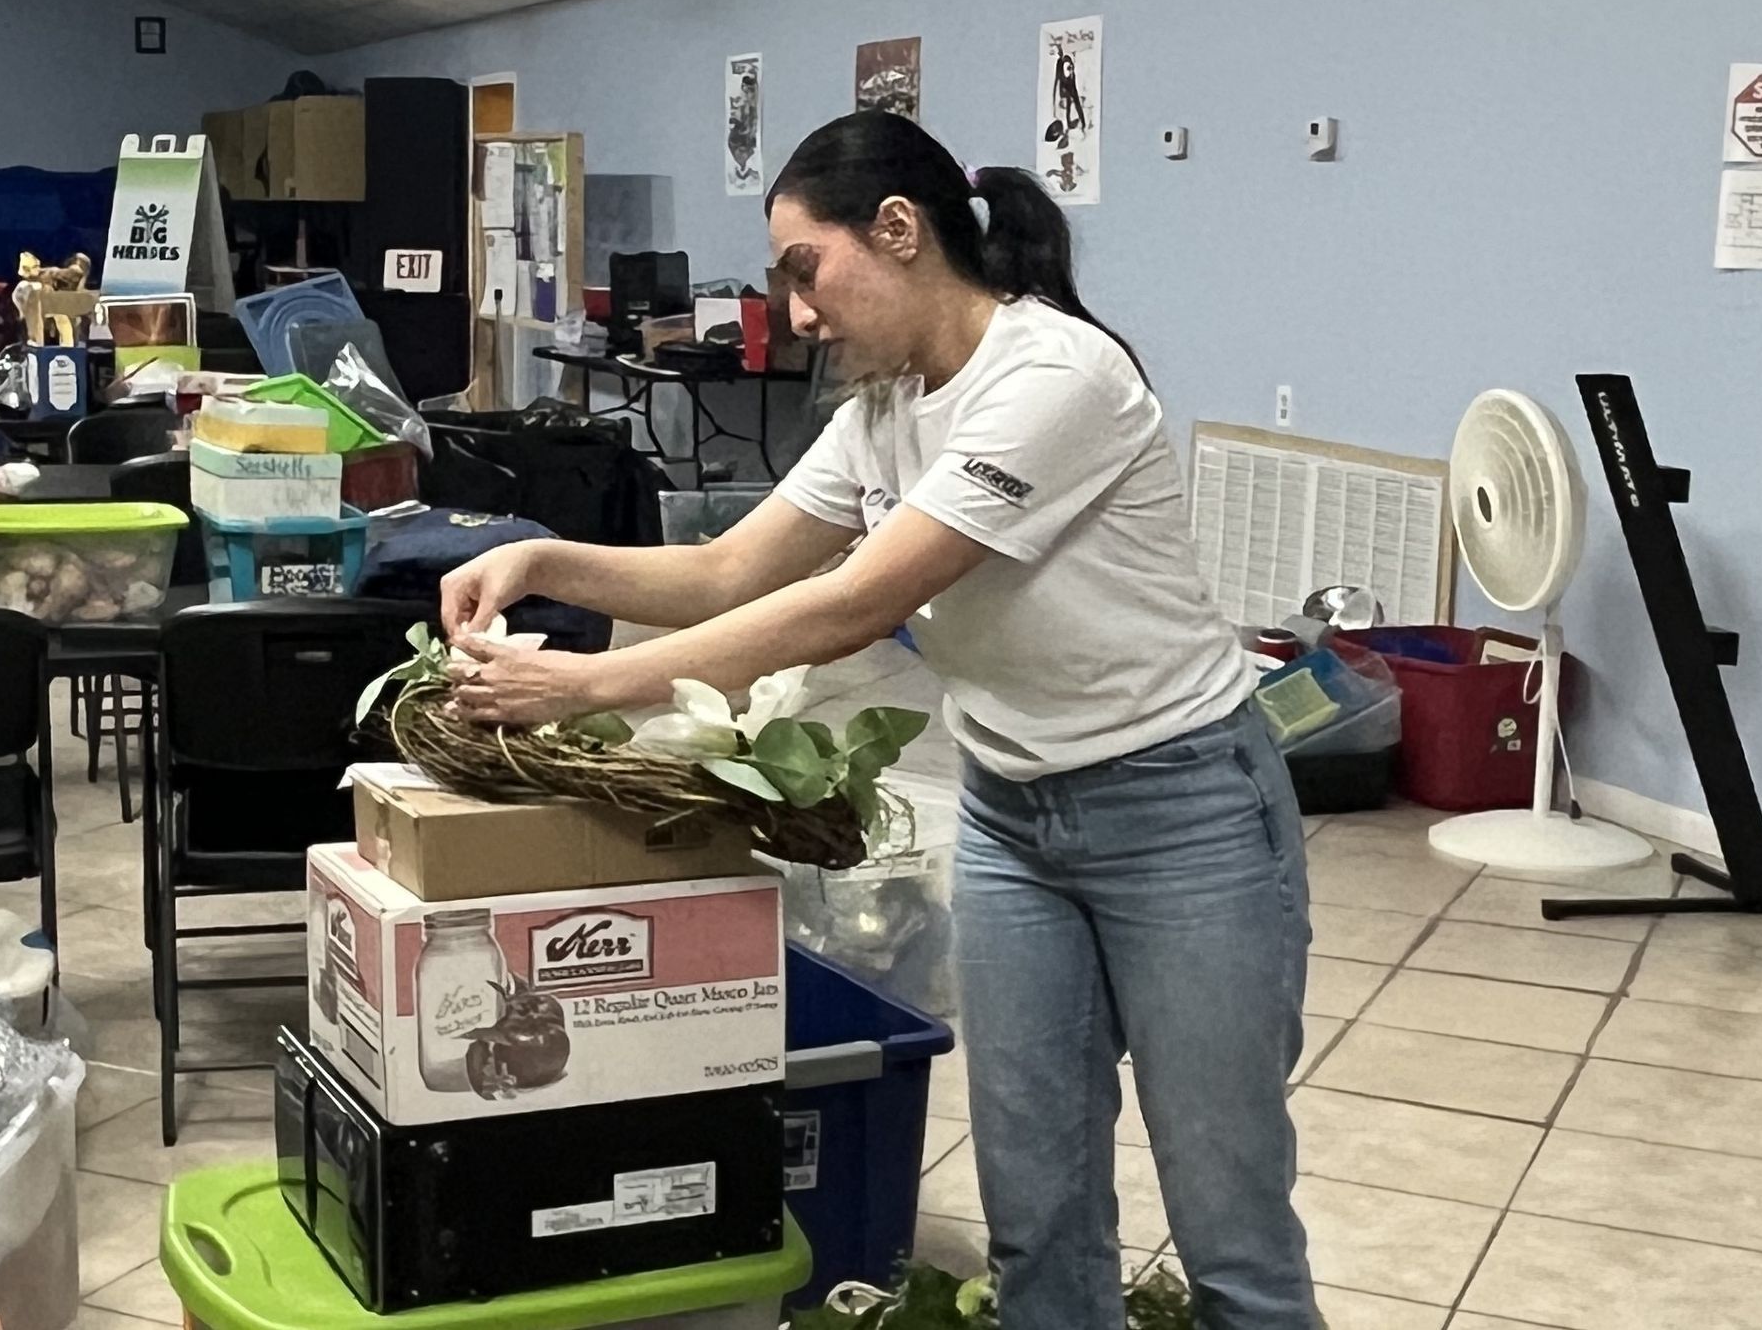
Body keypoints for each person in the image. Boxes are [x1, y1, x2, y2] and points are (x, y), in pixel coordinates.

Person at [439, 110, 1316, 1330]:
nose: (797, 313)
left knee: (1230, 1224)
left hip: (1185, 811)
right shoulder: (883, 412)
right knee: (1039, 1212)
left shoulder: (1055, 376)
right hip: (1018, 821)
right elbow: (729, 569)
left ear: (898, 231)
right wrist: (538, 558)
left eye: (807, 269)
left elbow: (852, 601)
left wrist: (583, 688)